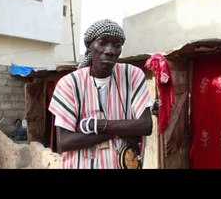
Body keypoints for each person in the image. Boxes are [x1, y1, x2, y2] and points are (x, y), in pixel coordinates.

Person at [49, 19, 153, 169]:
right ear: (90, 46)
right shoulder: (69, 84)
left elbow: (145, 125)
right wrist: (124, 130)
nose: (110, 50)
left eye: (117, 45)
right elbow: (64, 142)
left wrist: (94, 124)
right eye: (103, 42)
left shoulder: (132, 75)